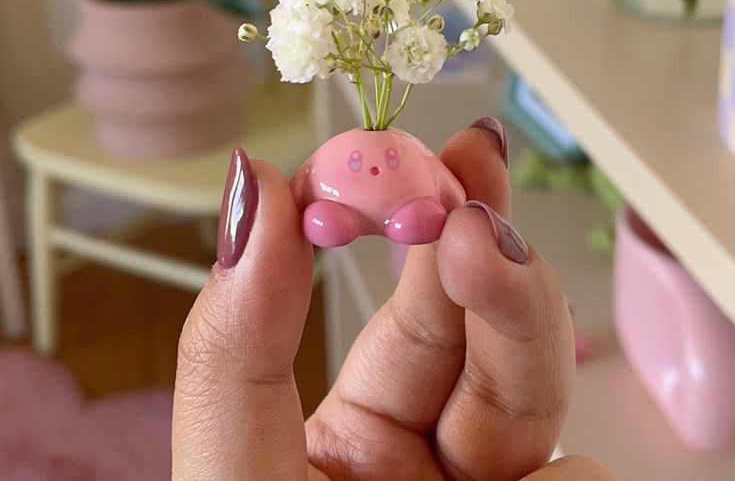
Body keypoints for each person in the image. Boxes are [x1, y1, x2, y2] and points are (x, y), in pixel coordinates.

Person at [172, 120, 611, 480]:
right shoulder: (327, 164)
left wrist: (453, 202)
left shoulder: (417, 160)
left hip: (415, 212)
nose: (376, 170)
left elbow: (449, 188)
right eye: (360, 164)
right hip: (338, 211)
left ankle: (409, 218)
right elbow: (305, 178)